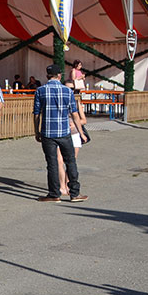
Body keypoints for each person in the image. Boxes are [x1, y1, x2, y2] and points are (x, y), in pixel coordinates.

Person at [33, 64, 88, 202]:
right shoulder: (67, 91)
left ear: (47, 76)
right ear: (59, 76)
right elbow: (74, 114)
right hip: (64, 132)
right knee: (71, 162)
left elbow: (36, 114)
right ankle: (74, 193)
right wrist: (81, 133)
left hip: (47, 133)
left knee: (52, 164)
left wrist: (36, 131)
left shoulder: (40, 91)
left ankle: (54, 194)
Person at [57, 82, 88, 196]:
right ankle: (62, 187)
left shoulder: (76, 102)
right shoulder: (59, 101)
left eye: (73, 89)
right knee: (59, 161)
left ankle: (68, 183)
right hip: (60, 133)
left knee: (70, 161)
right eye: (68, 88)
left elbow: (84, 120)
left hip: (74, 135)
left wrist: (75, 124)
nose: (70, 90)